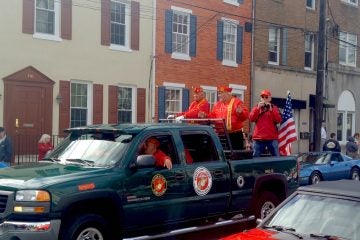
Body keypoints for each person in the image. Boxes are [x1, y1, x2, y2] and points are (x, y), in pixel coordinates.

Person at [249, 89, 282, 157]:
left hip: (271, 138)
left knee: (277, 159)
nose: (264, 99)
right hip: (258, 139)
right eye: (262, 97)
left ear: (270, 98)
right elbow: (251, 119)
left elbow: (278, 120)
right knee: (255, 159)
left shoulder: (274, 108)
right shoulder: (256, 107)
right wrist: (257, 108)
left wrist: (271, 110)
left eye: (266, 97)